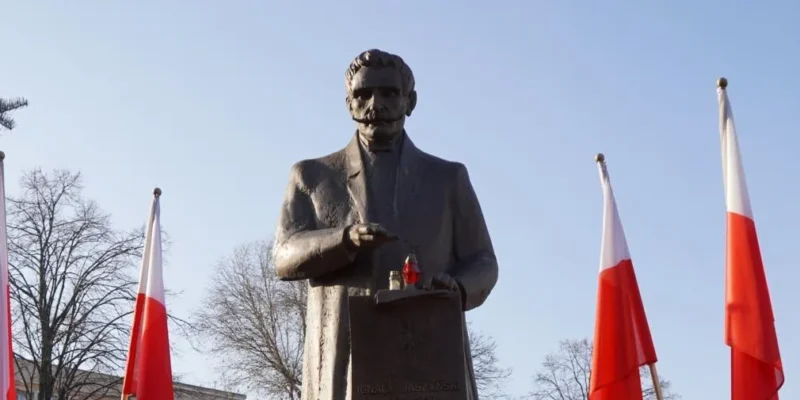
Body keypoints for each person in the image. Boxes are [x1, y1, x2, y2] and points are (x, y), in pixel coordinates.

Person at [272, 49, 498, 400]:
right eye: (363, 94)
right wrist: (345, 240)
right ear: (349, 103)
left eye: (390, 93)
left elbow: (484, 262)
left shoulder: (448, 178)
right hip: (344, 357)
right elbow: (284, 255)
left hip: (430, 358)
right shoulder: (312, 175)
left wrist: (457, 288)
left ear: (411, 101)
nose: (375, 104)